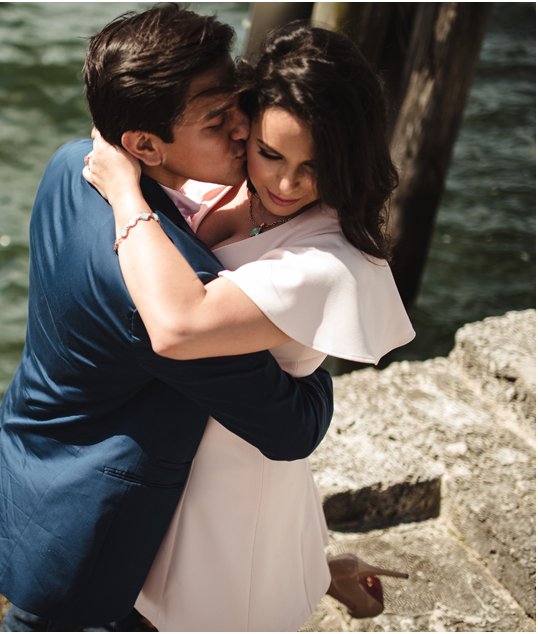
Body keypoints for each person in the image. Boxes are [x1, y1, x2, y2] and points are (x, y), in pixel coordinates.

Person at [0, 5, 334, 631]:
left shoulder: (72, 164)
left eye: (238, 100)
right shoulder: (169, 293)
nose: (245, 126)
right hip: (96, 545)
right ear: (142, 144)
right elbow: (292, 428)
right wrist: (311, 344)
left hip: (34, 463)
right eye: (219, 121)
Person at [82, 21, 415, 631]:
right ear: (245, 127)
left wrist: (125, 191)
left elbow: (180, 326)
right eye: (270, 153)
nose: (286, 185)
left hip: (228, 489)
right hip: (184, 455)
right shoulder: (229, 182)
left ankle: (308, 573)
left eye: (316, 166)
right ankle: (322, 571)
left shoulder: (329, 261)